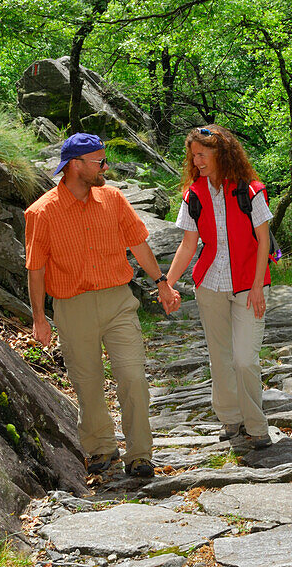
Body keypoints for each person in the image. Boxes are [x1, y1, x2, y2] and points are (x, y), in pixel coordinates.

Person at [25, 133, 181, 479]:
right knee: (87, 383)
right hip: (72, 306)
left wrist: (162, 283)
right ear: (75, 166)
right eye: (99, 161)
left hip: (117, 303)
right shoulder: (41, 212)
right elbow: (35, 269)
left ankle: (140, 454)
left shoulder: (113, 199)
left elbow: (139, 244)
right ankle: (101, 448)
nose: (106, 167)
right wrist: (40, 318)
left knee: (133, 378)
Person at [166, 125, 273, 450]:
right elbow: (188, 245)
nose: (196, 160)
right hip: (209, 285)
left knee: (245, 359)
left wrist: (257, 287)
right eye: (193, 155)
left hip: (249, 286)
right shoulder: (193, 194)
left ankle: (257, 426)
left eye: (202, 154)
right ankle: (230, 419)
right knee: (220, 357)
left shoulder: (250, 190)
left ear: (220, 153)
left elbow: (264, 241)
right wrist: (166, 284)